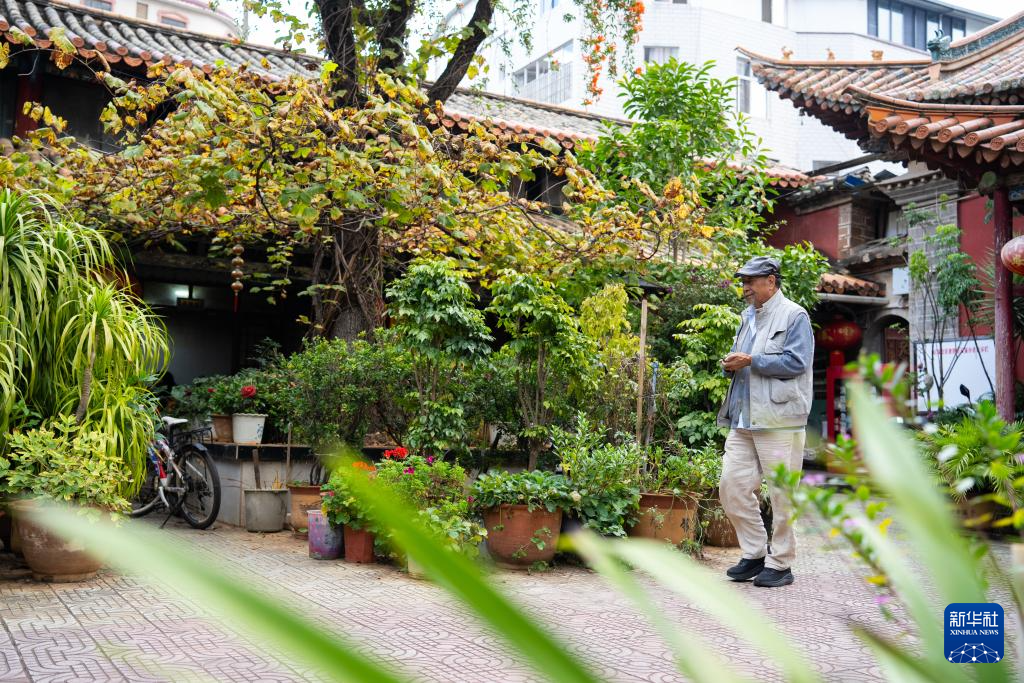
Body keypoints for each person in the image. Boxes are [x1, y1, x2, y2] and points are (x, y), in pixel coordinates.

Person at [716, 256, 814, 588]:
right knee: (731, 487)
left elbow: (797, 362)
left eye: (751, 281)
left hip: (780, 419)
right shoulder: (747, 317)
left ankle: (781, 563)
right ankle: (755, 553)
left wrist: (751, 360)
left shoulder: (795, 315)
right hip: (743, 418)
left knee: (783, 494)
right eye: (743, 281)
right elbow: (741, 357)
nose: (745, 288)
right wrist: (731, 362)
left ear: (771, 281)